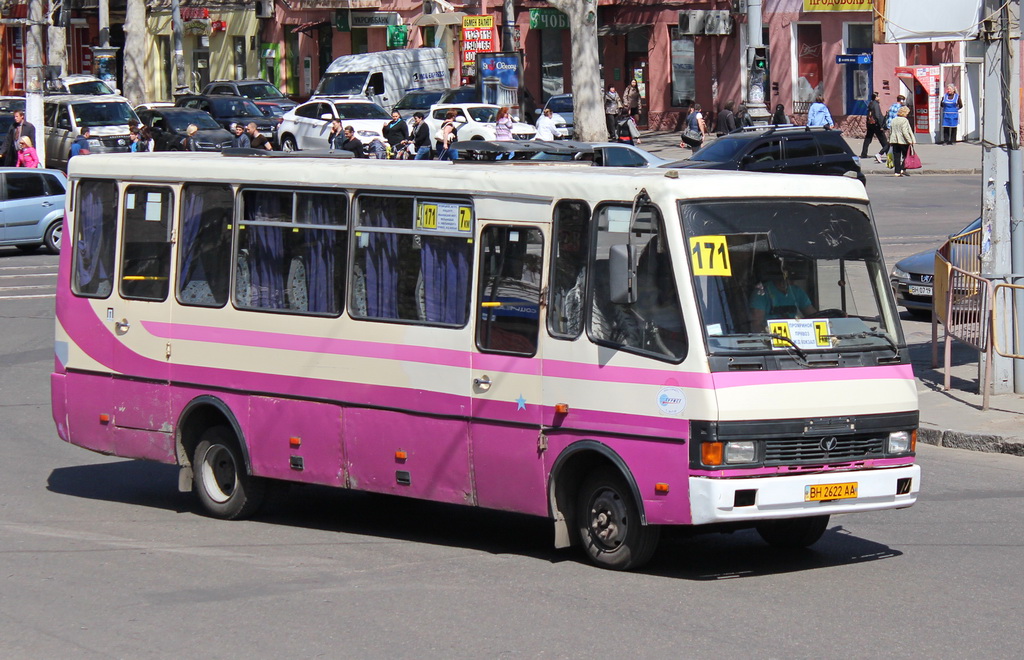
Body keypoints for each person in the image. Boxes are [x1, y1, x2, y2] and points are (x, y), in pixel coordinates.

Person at [749, 255, 817, 330]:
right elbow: (756, 325)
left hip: (794, 336)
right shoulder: (761, 293)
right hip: (771, 338)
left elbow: (813, 316)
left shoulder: (796, 291)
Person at [861, 91, 889, 163]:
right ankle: (888, 154)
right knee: (883, 140)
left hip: (870, 124)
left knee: (868, 139)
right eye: (878, 96)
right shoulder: (876, 104)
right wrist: (881, 125)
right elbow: (877, 115)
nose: (879, 98)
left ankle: (864, 153)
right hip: (876, 125)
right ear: (876, 97)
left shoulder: (870, 103)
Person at [889, 105, 916, 177]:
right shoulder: (904, 120)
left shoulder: (894, 120)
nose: (908, 114)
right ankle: (902, 169)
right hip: (903, 141)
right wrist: (909, 140)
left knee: (897, 156)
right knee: (907, 155)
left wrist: (890, 139)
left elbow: (891, 130)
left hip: (894, 140)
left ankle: (897, 172)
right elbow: (905, 131)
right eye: (907, 113)